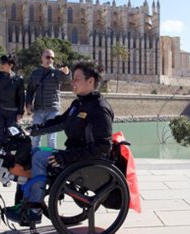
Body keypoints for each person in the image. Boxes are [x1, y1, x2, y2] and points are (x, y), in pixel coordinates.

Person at [6, 61, 112, 223]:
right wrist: (33, 129)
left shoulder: (99, 108)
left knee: (39, 158)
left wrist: (66, 157)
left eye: (76, 78)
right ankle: (24, 203)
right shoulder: (79, 104)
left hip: (85, 162)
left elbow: (102, 147)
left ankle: (34, 210)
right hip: (73, 156)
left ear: (90, 81)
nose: (72, 82)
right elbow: (60, 122)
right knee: (32, 153)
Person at [25, 49, 71, 148]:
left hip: (52, 110)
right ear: (42, 58)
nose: (50, 59)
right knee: (35, 136)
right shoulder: (35, 73)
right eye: (47, 57)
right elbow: (30, 90)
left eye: (52, 58)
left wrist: (67, 73)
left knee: (51, 138)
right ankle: (34, 158)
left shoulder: (57, 73)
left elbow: (66, 80)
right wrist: (28, 104)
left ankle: (49, 160)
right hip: (38, 109)